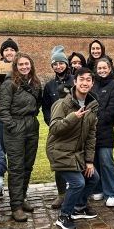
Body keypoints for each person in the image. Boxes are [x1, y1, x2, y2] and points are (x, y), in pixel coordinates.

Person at [47, 67, 100, 229]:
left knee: (93, 178)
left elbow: (91, 136)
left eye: (88, 80)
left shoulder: (92, 106)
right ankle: (64, 216)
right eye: (81, 79)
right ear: (75, 82)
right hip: (59, 151)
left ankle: (79, 207)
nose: (85, 82)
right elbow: (54, 128)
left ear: (92, 84)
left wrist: (89, 161)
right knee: (77, 182)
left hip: (77, 153)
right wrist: (72, 118)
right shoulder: (63, 104)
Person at [0, 52, 42, 222]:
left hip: (31, 126)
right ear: (15, 66)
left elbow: (37, 103)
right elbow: (3, 110)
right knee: (16, 167)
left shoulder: (36, 83)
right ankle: (15, 205)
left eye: (27, 64)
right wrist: (12, 125)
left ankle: (22, 198)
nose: (24, 67)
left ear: (31, 65)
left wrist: (31, 118)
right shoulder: (9, 84)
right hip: (15, 128)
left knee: (27, 165)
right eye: (21, 64)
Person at [42, 46, 75, 209]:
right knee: (59, 161)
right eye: (55, 64)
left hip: (74, 127)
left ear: (66, 64)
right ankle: (61, 194)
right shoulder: (49, 86)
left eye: (61, 63)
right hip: (57, 129)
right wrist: (52, 123)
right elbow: (46, 107)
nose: (58, 67)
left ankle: (78, 191)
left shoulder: (75, 81)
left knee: (77, 159)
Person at [91, 58, 114, 207]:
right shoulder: (93, 84)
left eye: (105, 68)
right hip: (91, 131)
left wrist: (97, 120)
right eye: (99, 68)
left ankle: (112, 192)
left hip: (105, 129)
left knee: (106, 162)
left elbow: (112, 108)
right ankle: (98, 188)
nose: (102, 70)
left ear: (110, 69)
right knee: (94, 161)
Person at [0, 37, 19, 153]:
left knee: (15, 150)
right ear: (2, 53)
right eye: (6, 50)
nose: (9, 52)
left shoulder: (22, 67)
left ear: (16, 52)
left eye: (12, 49)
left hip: (17, 114)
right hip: (1, 115)